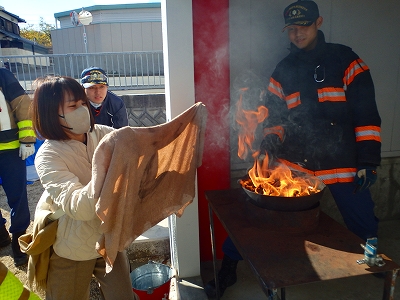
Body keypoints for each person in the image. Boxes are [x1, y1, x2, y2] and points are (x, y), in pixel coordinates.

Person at [206, 0, 382, 298]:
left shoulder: (346, 60)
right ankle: (228, 269)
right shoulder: (283, 70)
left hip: (343, 163)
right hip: (296, 167)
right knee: (259, 215)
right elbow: (274, 118)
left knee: (363, 219)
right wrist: (270, 142)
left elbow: (367, 114)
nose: (297, 34)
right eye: (291, 29)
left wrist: (369, 160)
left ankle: (374, 260)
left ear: (319, 23)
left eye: (304, 26)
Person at [30, 76, 138, 300]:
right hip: (73, 245)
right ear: (51, 113)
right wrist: (104, 169)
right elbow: (80, 208)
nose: (82, 110)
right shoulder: (48, 156)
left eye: (82, 103)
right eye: (72, 106)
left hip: (109, 236)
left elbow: (138, 146)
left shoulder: (102, 134)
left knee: (123, 296)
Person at [0, 67, 36, 267]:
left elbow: (23, 105)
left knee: (17, 197)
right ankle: (1, 235)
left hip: (10, 149)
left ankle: (18, 240)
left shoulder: (3, 75)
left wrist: (27, 140)